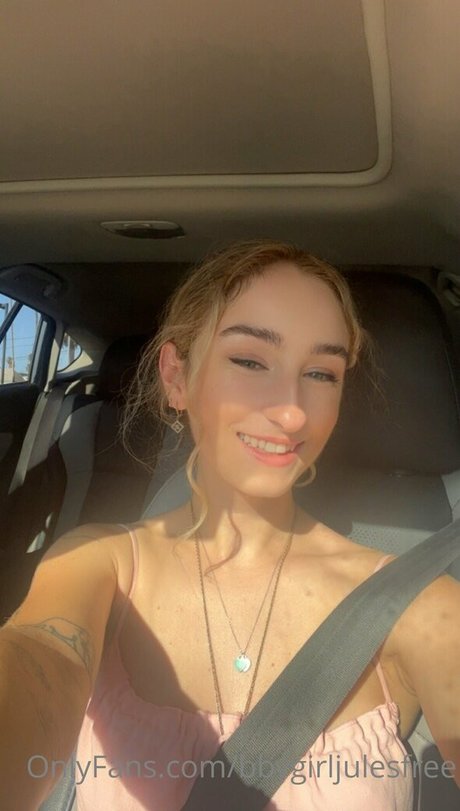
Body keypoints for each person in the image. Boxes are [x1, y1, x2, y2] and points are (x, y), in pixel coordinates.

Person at [1, 240, 459, 810]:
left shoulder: (419, 604)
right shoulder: (98, 565)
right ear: (177, 377)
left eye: (322, 372)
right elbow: (37, 663)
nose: (292, 411)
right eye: (249, 361)